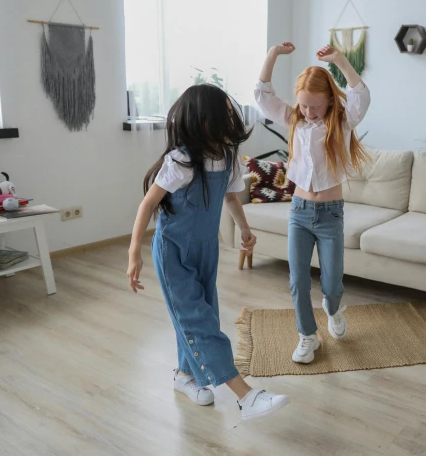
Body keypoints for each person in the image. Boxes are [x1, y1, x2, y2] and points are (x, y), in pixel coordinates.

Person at [127, 84, 290, 421]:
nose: (232, 114)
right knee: (197, 320)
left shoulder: (228, 157)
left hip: (206, 249)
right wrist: (134, 253)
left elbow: (230, 197)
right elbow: (148, 204)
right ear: (205, 118)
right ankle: (246, 397)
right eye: (226, 110)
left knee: (203, 315)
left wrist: (245, 229)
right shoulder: (182, 160)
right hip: (173, 250)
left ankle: (185, 376)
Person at [255, 42, 370, 363]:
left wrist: (341, 61)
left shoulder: (343, 122)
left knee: (332, 284)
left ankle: (332, 310)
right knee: (297, 281)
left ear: (330, 101)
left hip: (331, 215)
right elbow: (263, 96)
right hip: (300, 213)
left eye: (315, 106)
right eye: (304, 106)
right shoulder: (295, 120)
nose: (308, 112)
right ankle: (307, 335)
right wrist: (273, 55)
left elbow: (361, 95)